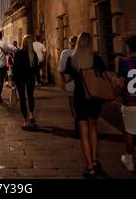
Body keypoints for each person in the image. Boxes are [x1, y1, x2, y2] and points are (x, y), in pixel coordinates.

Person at [64, 32, 107, 178]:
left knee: (83, 131)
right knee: (93, 127)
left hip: (80, 97)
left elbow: (68, 78)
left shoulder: (72, 59)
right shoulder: (97, 59)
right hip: (94, 98)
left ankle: (89, 167)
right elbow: (104, 77)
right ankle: (95, 160)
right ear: (90, 44)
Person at [117, 34, 136, 172]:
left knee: (129, 131)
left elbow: (121, 84)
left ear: (129, 48)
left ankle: (129, 159)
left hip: (130, 102)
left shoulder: (124, 62)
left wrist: (115, 94)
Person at [12, 34, 40, 128]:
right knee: (31, 96)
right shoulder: (33, 54)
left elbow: (15, 68)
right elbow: (36, 69)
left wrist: (13, 80)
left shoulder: (19, 53)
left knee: (22, 99)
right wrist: (38, 81)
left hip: (20, 78)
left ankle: (25, 120)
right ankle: (31, 114)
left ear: (23, 42)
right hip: (30, 78)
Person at [58, 35, 79, 136]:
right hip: (82, 83)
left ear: (70, 43)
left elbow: (61, 68)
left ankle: (76, 120)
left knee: (71, 103)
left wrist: (63, 80)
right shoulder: (82, 52)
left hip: (70, 82)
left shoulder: (65, 53)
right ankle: (81, 120)